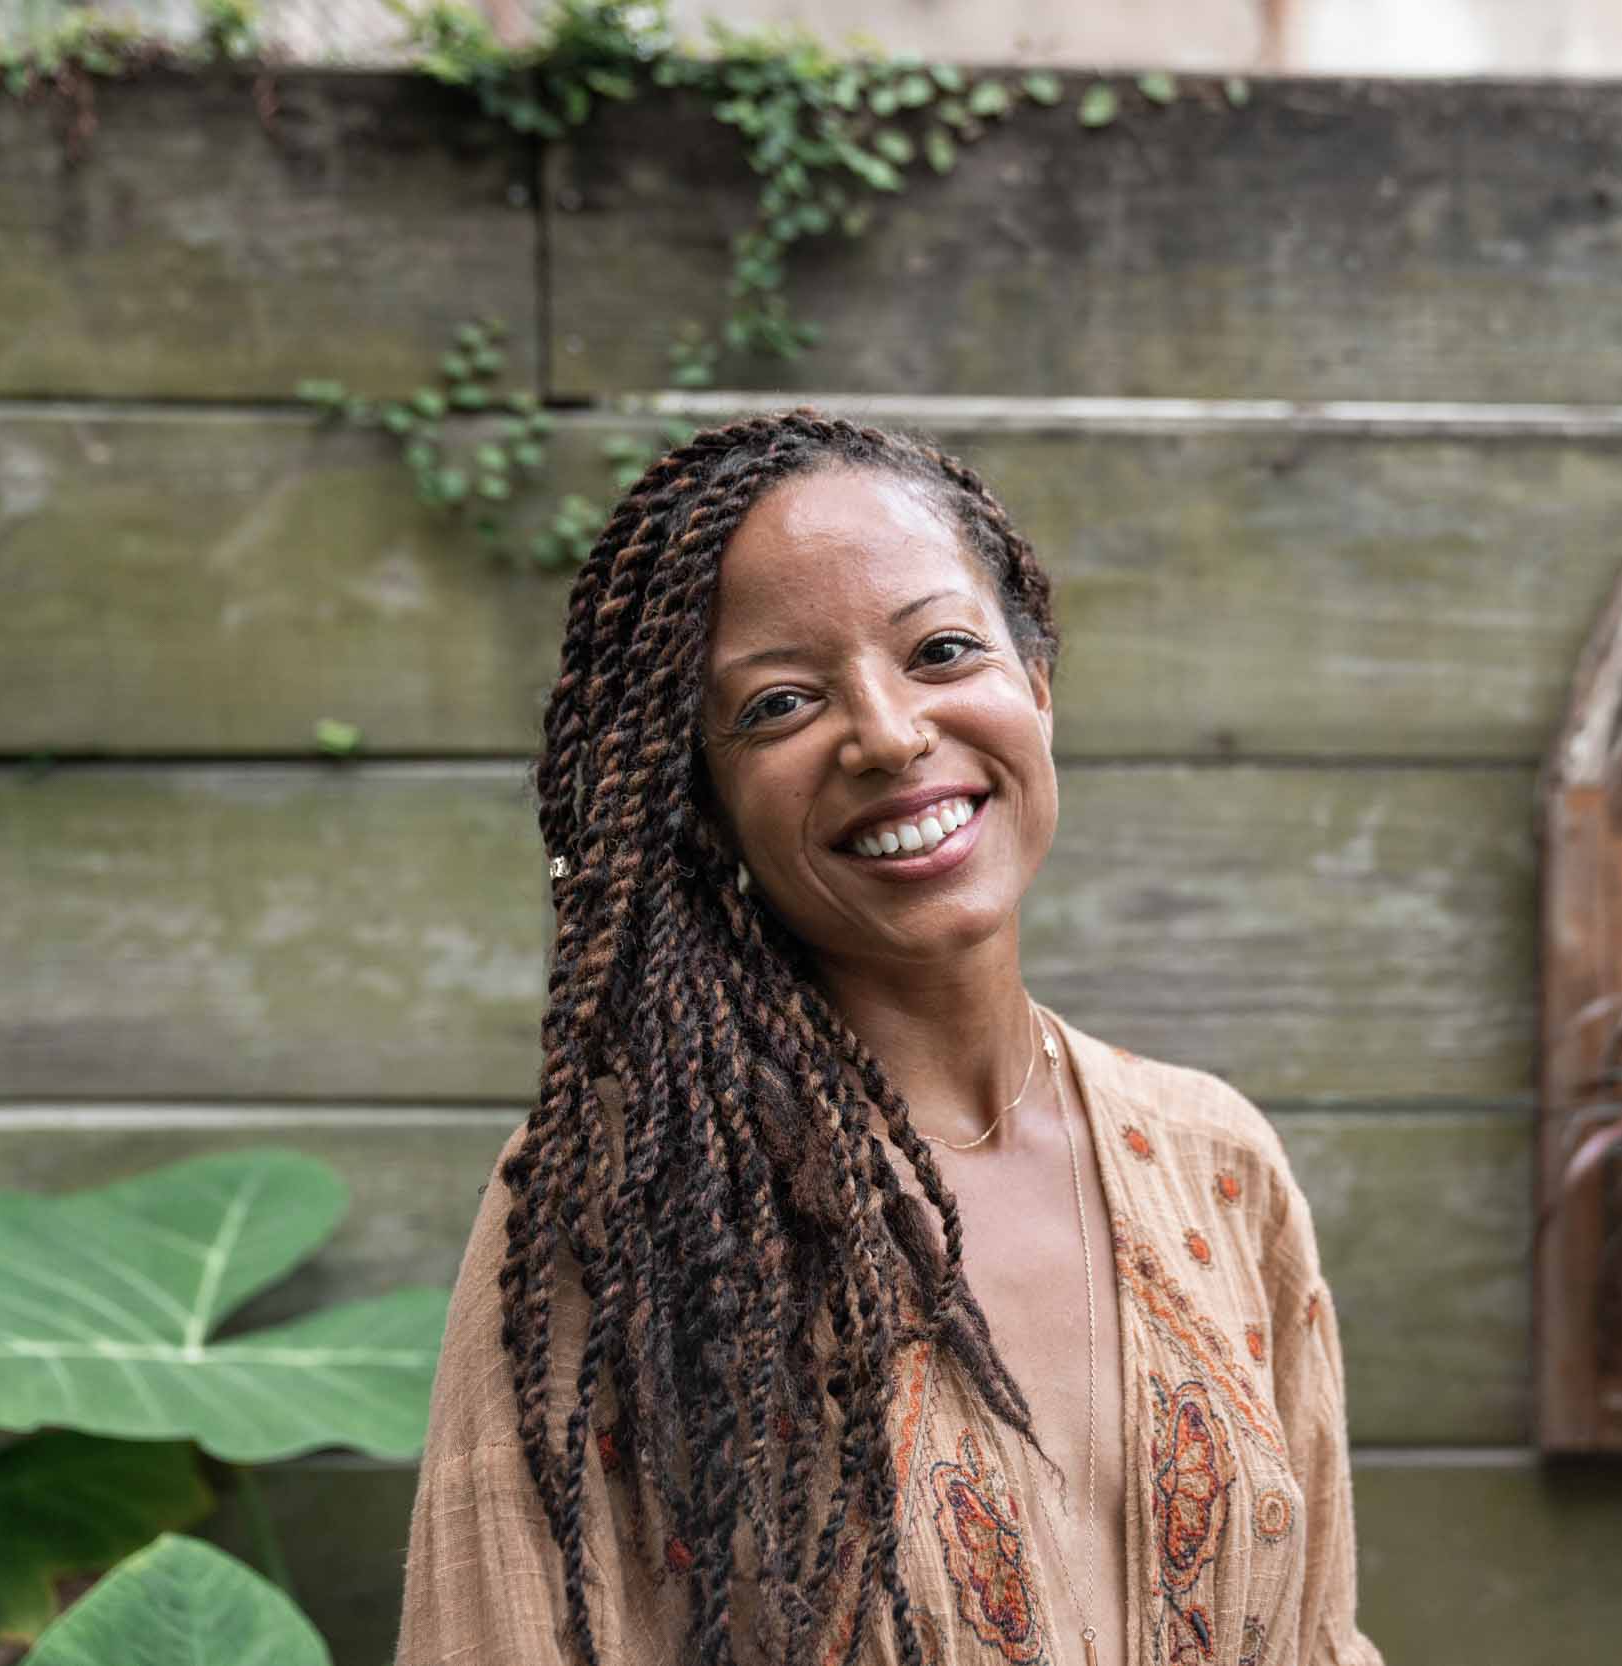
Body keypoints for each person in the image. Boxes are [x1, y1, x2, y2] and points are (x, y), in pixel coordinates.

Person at [395, 410, 1384, 1666]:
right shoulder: (608, 1204)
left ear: (1032, 684)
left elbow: (1318, 1637)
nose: (888, 731)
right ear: (705, 803)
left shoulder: (1216, 1163)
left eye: (942, 649)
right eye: (781, 703)